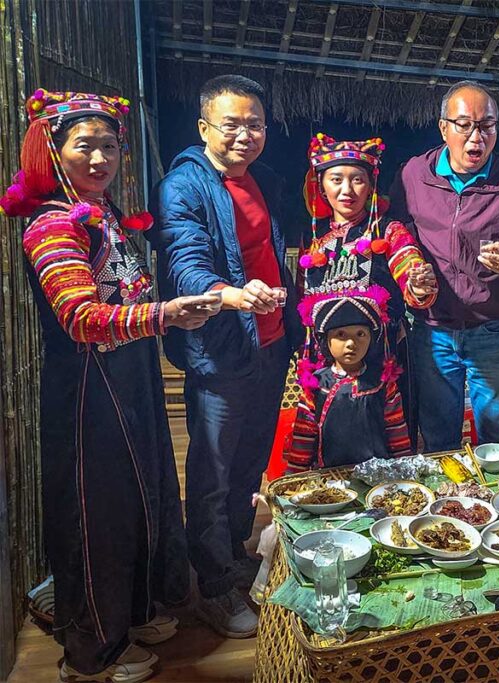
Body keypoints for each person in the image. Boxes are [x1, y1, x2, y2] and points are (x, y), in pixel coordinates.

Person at [0, 89, 218, 683]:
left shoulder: (106, 217)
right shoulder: (52, 226)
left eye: (110, 146)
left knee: (142, 495)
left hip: (131, 375)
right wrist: (166, 314)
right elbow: (81, 318)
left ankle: (130, 612)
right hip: (86, 392)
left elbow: (128, 295)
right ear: (51, 148)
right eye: (83, 146)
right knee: (97, 514)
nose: (100, 159)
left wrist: (168, 311)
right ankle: (92, 652)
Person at [149, 75, 304, 638]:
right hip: (221, 345)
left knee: (250, 461)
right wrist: (228, 294)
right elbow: (184, 258)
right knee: (213, 469)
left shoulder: (263, 180)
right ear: (204, 127)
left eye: (255, 124)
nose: (245, 135)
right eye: (232, 124)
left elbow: (269, 251)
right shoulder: (182, 186)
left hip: (269, 343)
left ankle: (235, 553)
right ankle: (212, 585)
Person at [389, 80, 499, 450]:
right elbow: (394, 234)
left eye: (486, 126)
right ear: (444, 127)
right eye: (464, 124)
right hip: (433, 330)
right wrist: (410, 273)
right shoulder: (414, 175)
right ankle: (448, 508)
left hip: (495, 332)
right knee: (438, 436)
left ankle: (498, 506)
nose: (476, 136)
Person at [297, 133, 436, 439]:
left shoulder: (389, 231)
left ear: (371, 186)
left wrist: (419, 283)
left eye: (357, 180)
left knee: (391, 442)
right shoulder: (313, 240)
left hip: (383, 363)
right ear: (321, 185)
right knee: (328, 442)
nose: (347, 190)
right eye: (336, 179)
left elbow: (408, 264)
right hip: (326, 368)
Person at [285, 289, 410, 470]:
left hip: (379, 479)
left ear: (371, 339)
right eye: (341, 335)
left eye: (360, 334)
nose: (351, 343)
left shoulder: (383, 383)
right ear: (325, 340)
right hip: (329, 480)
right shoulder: (316, 386)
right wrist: (293, 478)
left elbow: (397, 434)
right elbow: (304, 437)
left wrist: (404, 469)